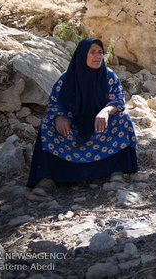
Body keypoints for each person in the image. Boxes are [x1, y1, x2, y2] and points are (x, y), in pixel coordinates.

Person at [26, 38, 138, 199]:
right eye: (92, 52)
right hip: (72, 130)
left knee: (123, 118)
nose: (97, 56)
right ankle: (46, 179)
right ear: (82, 54)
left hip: (99, 129)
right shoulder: (67, 79)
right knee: (47, 125)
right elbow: (53, 104)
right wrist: (58, 117)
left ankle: (116, 169)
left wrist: (106, 111)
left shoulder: (108, 76)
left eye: (100, 52)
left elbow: (118, 101)